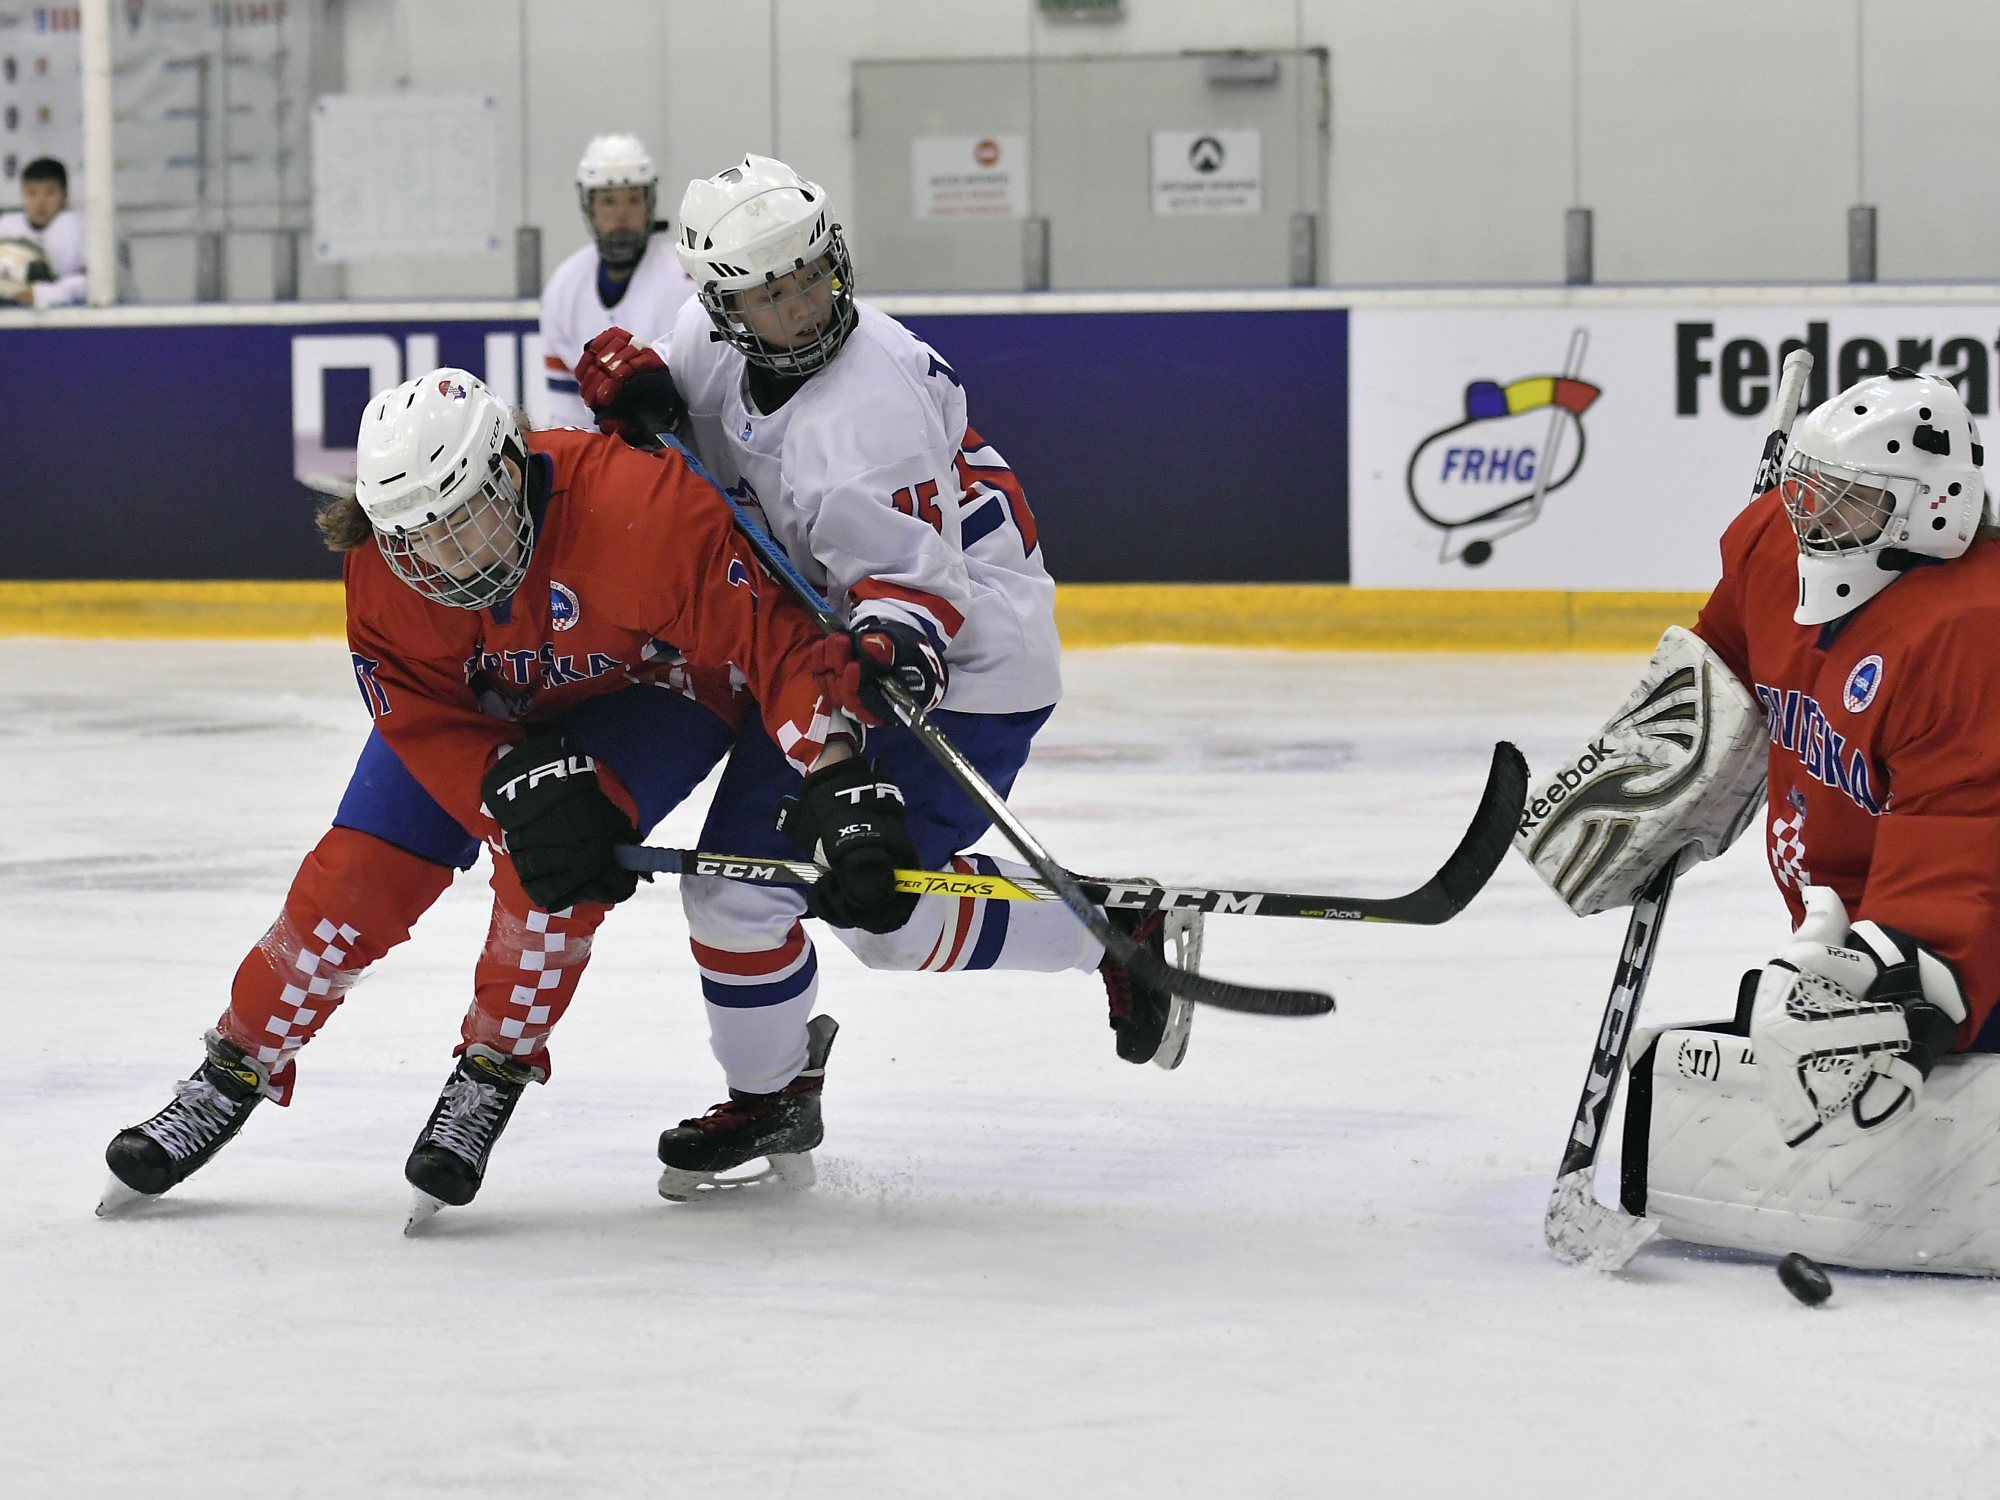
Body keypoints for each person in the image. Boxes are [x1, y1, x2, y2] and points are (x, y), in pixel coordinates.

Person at [99, 368, 915, 1223]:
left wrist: (835, 776)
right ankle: (232, 1066)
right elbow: (414, 707)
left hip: (657, 688)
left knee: (556, 864)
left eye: (464, 521)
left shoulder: (645, 508)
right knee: (352, 881)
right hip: (483, 712)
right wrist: (499, 778)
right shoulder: (383, 563)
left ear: (513, 471)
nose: (445, 560)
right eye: (420, 537)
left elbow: (774, 641)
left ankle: (494, 1065)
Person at [575, 154, 1196, 1199]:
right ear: (720, 304)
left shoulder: (866, 413)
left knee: (883, 917)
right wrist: (636, 400)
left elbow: (914, 607)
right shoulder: (710, 343)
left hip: (964, 670)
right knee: (735, 893)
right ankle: (773, 1093)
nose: (802, 308)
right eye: (769, 295)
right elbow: (677, 420)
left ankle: (1107, 929)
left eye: (812, 278)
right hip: (823, 653)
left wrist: (871, 677)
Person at [1519, 367, 2000, 1273]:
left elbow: (1967, 823)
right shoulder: (1774, 548)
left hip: (1976, 917)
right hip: (1852, 902)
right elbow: (1728, 650)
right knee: (1796, 1026)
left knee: (1884, 1038)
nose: (1809, 518)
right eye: (1805, 487)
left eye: (1845, 502)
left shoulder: (1971, 630)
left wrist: (1911, 968)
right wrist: (1663, 761)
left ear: (1928, 512)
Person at [533, 134, 694, 429]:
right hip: (600, 463)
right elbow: (566, 411)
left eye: (633, 199)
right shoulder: (563, 286)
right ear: (589, 207)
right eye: (608, 201)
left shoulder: (687, 277)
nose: (622, 215)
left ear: (649, 203)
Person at [0, 156, 86, 308]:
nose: (40, 202)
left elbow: (94, 282)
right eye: (32, 193)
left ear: (64, 194)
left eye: (49, 193)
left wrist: (40, 294)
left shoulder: (81, 226)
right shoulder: (7, 227)